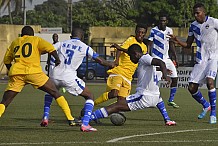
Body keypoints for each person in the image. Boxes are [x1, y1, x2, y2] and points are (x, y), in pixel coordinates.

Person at [40, 27, 115, 132]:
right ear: (82, 38)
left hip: (55, 74)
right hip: (68, 76)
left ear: (71, 36)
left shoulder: (61, 43)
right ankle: (85, 124)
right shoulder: (85, 47)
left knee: (50, 92)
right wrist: (110, 64)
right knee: (90, 96)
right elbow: (99, 60)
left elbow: (48, 49)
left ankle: (45, 117)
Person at [0, 26, 76, 126]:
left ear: (22, 34)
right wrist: (57, 59)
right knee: (55, 92)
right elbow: (51, 49)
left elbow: (6, 60)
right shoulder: (36, 40)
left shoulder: (15, 42)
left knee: (5, 101)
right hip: (34, 72)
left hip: (17, 73)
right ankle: (70, 119)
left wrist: (11, 70)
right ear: (33, 34)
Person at [90, 44, 176, 126]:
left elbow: (161, 62)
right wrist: (162, 69)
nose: (131, 59)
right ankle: (167, 120)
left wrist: (165, 75)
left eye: (131, 56)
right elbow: (155, 66)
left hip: (144, 97)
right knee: (159, 100)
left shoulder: (144, 58)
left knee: (117, 105)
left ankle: (88, 118)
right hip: (155, 97)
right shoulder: (147, 60)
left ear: (135, 54)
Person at [170, 3, 218, 124]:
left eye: (198, 13)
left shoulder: (213, 22)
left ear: (204, 12)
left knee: (210, 81)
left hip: (213, 58)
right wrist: (177, 41)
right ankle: (206, 105)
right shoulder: (193, 26)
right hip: (200, 60)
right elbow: (188, 44)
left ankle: (213, 113)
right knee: (191, 87)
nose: (196, 15)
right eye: (194, 13)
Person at [94, 23, 148, 107]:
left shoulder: (144, 47)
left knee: (121, 102)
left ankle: (99, 114)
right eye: (138, 32)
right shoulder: (131, 40)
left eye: (142, 33)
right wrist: (116, 60)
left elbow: (142, 60)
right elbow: (120, 49)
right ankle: (91, 105)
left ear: (145, 34)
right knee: (114, 93)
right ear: (135, 32)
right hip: (119, 71)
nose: (140, 34)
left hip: (128, 77)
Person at [148, 15, 179, 108]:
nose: (162, 22)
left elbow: (171, 44)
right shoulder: (153, 30)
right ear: (159, 21)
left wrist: (175, 57)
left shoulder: (170, 30)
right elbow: (149, 44)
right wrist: (148, 56)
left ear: (167, 22)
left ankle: (171, 100)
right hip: (156, 58)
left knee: (175, 77)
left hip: (167, 58)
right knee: (154, 81)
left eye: (164, 21)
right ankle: (152, 100)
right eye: (161, 21)